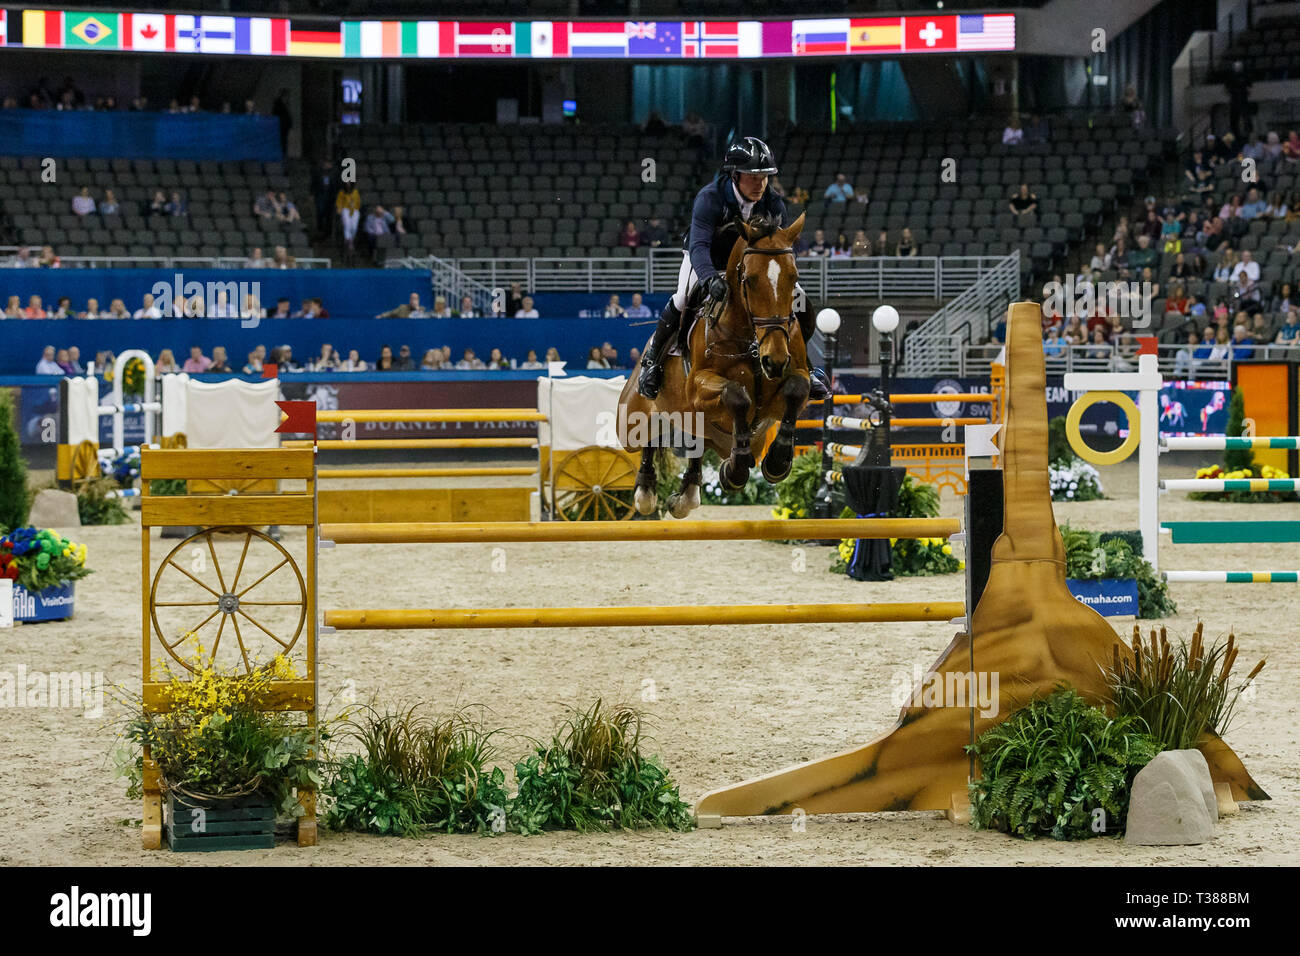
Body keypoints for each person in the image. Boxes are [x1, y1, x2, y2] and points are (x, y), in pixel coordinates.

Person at [635, 136, 829, 401]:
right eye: (753, 177)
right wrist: (708, 278)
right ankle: (652, 362)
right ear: (735, 175)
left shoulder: (773, 203)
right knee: (682, 298)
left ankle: (804, 364)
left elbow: (782, 249)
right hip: (709, 258)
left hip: (753, 265)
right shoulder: (710, 198)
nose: (760, 184)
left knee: (800, 302)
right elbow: (699, 246)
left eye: (764, 177)